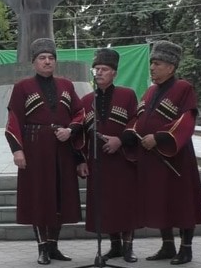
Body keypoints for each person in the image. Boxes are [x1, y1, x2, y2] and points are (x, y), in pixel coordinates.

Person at [123, 40, 201, 265]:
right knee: (161, 201)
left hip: (175, 156)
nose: (152, 68)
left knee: (181, 202)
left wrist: (159, 137)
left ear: (171, 67)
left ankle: (186, 249)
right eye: (151, 63)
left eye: (157, 63)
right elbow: (137, 118)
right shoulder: (150, 91)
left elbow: (187, 119)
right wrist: (131, 132)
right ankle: (167, 246)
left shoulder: (183, 88)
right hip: (152, 159)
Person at [4, 38, 85, 265]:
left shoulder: (67, 85)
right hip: (35, 148)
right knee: (39, 197)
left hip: (62, 148)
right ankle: (42, 249)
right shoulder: (23, 87)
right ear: (34, 63)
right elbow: (13, 120)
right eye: (42, 58)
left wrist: (70, 130)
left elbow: (80, 113)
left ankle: (54, 247)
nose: (47, 62)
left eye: (51, 58)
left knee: (59, 196)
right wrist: (17, 150)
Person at [79, 49, 139, 263]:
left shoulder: (127, 94)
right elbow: (80, 132)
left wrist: (120, 140)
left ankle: (128, 248)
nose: (99, 73)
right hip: (98, 161)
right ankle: (114, 247)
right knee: (106, 204)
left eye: (104, 69)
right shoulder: (86, 100)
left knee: (124, 202)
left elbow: (135, 122)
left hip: (122, 158)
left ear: (114, 72)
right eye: (96, 69)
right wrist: (81, 160)